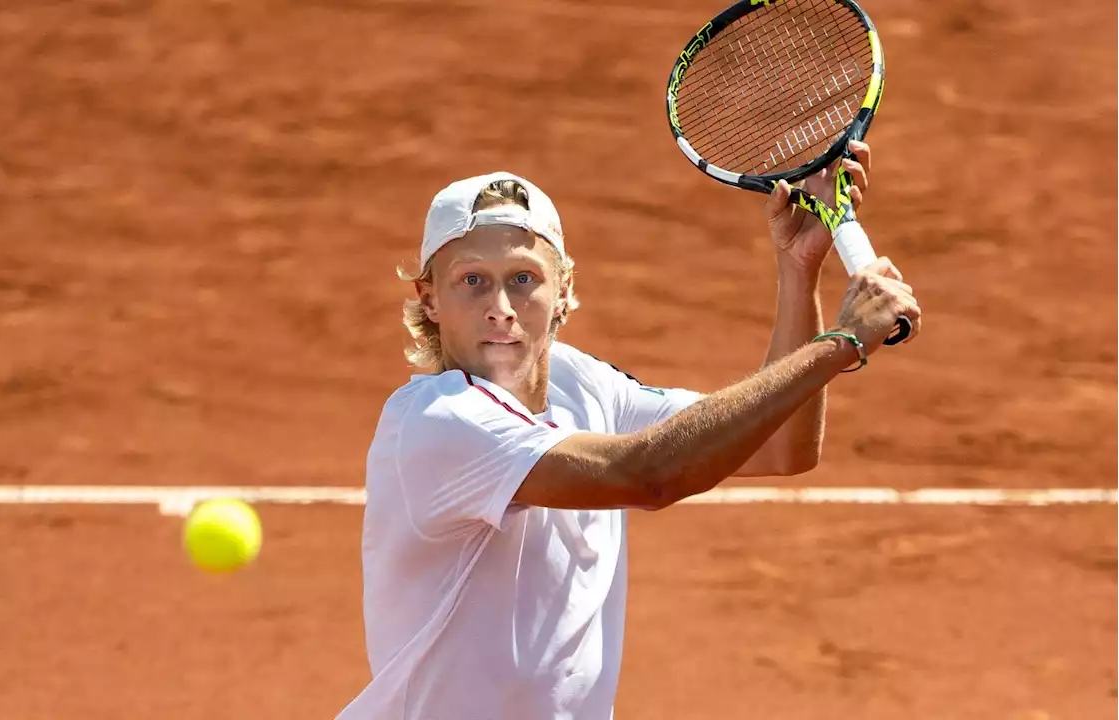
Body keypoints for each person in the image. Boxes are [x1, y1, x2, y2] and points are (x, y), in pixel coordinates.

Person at [336, 141, 920, 719]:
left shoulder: (582, 385)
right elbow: (647, 475)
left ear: (562, 290)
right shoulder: (439, 422)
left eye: (522, 279)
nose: (501, 307)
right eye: (472, 281)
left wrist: (799, 270)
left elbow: (782, 443)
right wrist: (838, 344)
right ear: (429, 297)